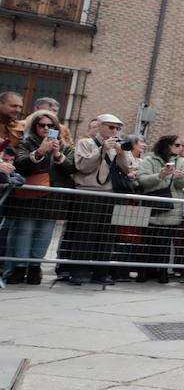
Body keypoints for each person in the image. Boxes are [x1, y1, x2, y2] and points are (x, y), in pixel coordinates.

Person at [59, 114, 132, 286]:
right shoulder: (86, 143)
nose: (114, 131)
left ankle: (101, 272)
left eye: (117, 128)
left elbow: (128, 168)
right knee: (84, 234)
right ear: (99, 126)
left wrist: (121, 152)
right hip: (88, 193)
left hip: (110, 194)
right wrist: (102, 150)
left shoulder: (118, 145)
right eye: (111, 127)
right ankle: (78, 271)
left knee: (106, 236)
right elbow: (83, 167)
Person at [5, 110, 73, 284]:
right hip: (28, 196)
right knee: (24, 232)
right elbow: (20, 164)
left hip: (53, 198)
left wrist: (57, 155)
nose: (45, 128)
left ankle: (35, 267)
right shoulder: (25, 143)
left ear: (56, 128)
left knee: (44, 233)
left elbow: (72, 169)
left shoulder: (64, 146)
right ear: (34, 126)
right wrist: (40, 152)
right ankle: (19, 267)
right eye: (41, 125)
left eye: (50, 126)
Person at [138, 134, 184, 284]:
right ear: (167, 145)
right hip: (154, 206)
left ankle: (162, 273)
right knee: (148, 240)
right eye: (177, 145)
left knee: (165, 241)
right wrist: (160, 175)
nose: (181, 148)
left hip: (172, 206)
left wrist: (180, 178)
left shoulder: (182, 161)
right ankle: (143, 272)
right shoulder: (150, 160)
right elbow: (142, 180)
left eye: (181, 145)